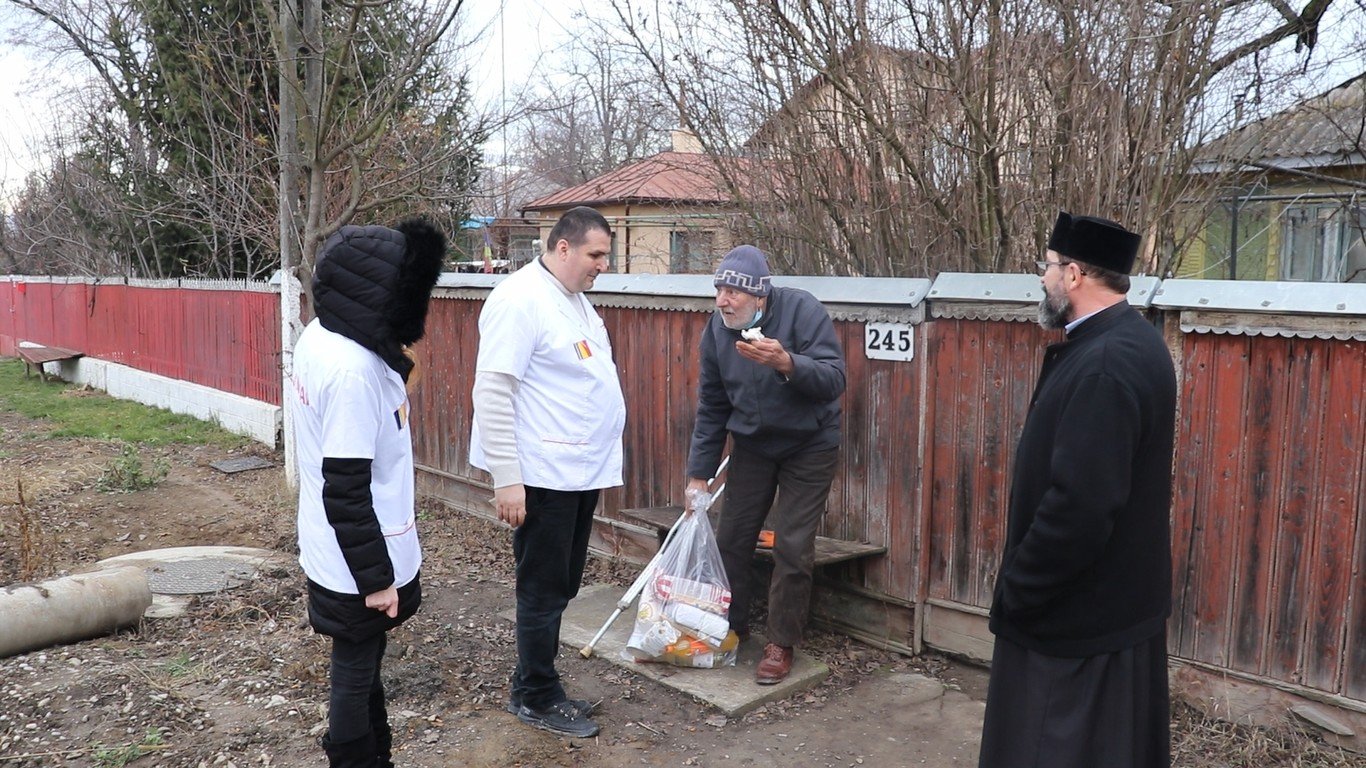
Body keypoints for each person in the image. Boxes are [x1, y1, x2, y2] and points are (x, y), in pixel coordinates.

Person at [978, 212, 1177, 768]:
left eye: (1046, 267)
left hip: (1073, 624)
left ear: (1074, 274)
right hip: (1109, 611)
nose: (1041, 279)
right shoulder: (1133, 340)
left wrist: (1019, 589)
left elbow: (1081, 507)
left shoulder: (1106, 364)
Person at [290, 219, 447, 768]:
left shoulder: (322, 334)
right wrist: (377, 579)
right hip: (360, 554)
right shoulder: (354, 373)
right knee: (354, 677)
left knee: (363, 664)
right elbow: (347, 488)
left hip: (337, 547)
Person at [469, 205, 625, 738]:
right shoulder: (519, 300)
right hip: (541, 473)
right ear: (563, 248)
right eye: (596, 254)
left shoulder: (574, 301)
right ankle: (533, 694)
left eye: (606, 254)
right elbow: (492, 391)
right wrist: (507, 478)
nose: (603, 264)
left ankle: (540, 681)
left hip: (577, 469)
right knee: (541, 586)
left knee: (561, 584)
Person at [684, 244, 846, 685]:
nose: (723, 300)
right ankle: (731, 626)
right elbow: (713, 405)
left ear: (760, 296)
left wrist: (787, 363)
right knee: (732, 537)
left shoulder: (802, 311)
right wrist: (698, 476)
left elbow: (835, 379)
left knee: (792, 547)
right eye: (719, 290)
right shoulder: (717, 331)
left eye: (733, 291)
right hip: (753, 445)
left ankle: (781, 642)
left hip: (809, 445)